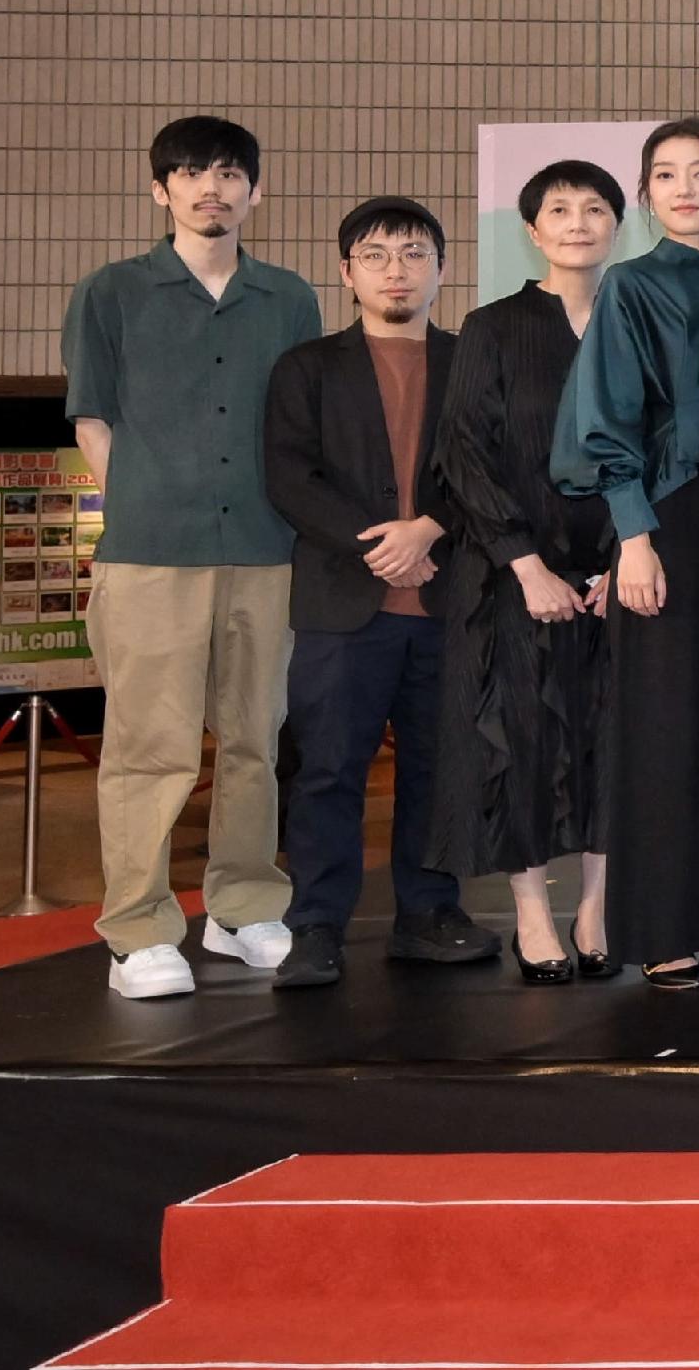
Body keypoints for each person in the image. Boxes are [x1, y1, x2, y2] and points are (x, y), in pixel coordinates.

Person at [63, 115, 324, 999]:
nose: (210, 186)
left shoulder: (290, 299)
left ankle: (244, 907)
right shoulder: (112, 291)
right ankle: (136, 930)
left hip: (264, 549)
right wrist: (146, 505)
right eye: (189, 172)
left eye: (227, 172)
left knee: (255, 738)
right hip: (150, 556)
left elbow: (299, 427)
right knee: (149, 748)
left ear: (257, 189)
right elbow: (93, 420)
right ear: (159, 189)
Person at [553, 116, 699, 986]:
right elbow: (604, 420)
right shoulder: (631, 286)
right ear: (645, 196)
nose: (685, 189)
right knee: (666, 725)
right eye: (666, 175)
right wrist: (633, 538)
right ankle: (665, 926)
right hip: (669, 520)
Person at [261, 194, 494, 986]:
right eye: (376, 256)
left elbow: (495, 473)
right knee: (327, 770)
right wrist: (382, 546)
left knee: (440, 768)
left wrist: (428, 528)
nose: (396, 270)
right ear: (347, 273)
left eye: (413, 254)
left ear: (441, 269)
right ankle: (317, 926)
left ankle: (429, 912)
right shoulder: (308, 368)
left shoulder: (473, 362)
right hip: (341, 607)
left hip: (448, 603)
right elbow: (291, 476)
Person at [433, 157, 622, 983]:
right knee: (520, 736)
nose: (578, 222)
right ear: (533, 229)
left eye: (594, 208)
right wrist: (525, 563)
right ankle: (535, 912)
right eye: (559, 209)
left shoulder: (637, 321)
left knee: (613, 739)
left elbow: (660, 451)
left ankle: (599, 907)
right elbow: (464, 456)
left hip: (624, 576)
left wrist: (631, 555)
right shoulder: (495, 327)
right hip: (517, 577)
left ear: (620, 223)